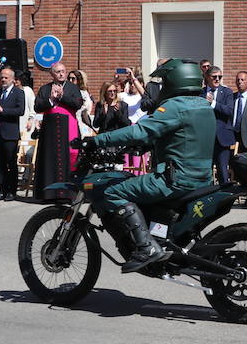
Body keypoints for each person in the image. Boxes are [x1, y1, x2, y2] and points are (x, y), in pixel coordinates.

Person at [80, 59, 217, 272]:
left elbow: (139, 131)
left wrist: (98, 140)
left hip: (174, 180)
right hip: (202, 180)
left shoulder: (174, 106)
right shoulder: (203, 106)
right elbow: (180, 138)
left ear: (174, 82)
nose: (161, 87)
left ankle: (146, 247)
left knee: (114, 191)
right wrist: (143, 147)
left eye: (164, 83)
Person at [34, 61, 84, 196]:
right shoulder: (45, 89)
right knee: (49, 160)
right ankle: (49, 194)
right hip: (50, 131)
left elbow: (77, 104)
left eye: (63, 71)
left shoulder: (73, 88)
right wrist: (50, 99)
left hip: (69, 128)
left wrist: (62, 96)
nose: (61, 74)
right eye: (58, 71)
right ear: (52, 74)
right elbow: (37, 107)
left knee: (70, 158)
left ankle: (69, 194)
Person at [0, 66, 26, 201]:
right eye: (1, 77)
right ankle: (2, 190)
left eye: (6, 77)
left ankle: (11, 191)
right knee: (0, 164)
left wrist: (2, 110)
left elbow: (20, 111)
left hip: (10, 134)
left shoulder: (19, 93)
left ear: (13, 79)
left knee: (11, 164)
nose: (3, 80)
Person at [204, 67, 235, 183]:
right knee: (205, 170)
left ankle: (225, 198)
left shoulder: (227, 92)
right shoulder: (201, 93)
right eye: (214, 77)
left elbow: (229, 111)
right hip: (205, 138)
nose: (217, 79)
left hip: (222, 138)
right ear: (207, 77)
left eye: (220, 77)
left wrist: (213, 103)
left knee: (222, 170)